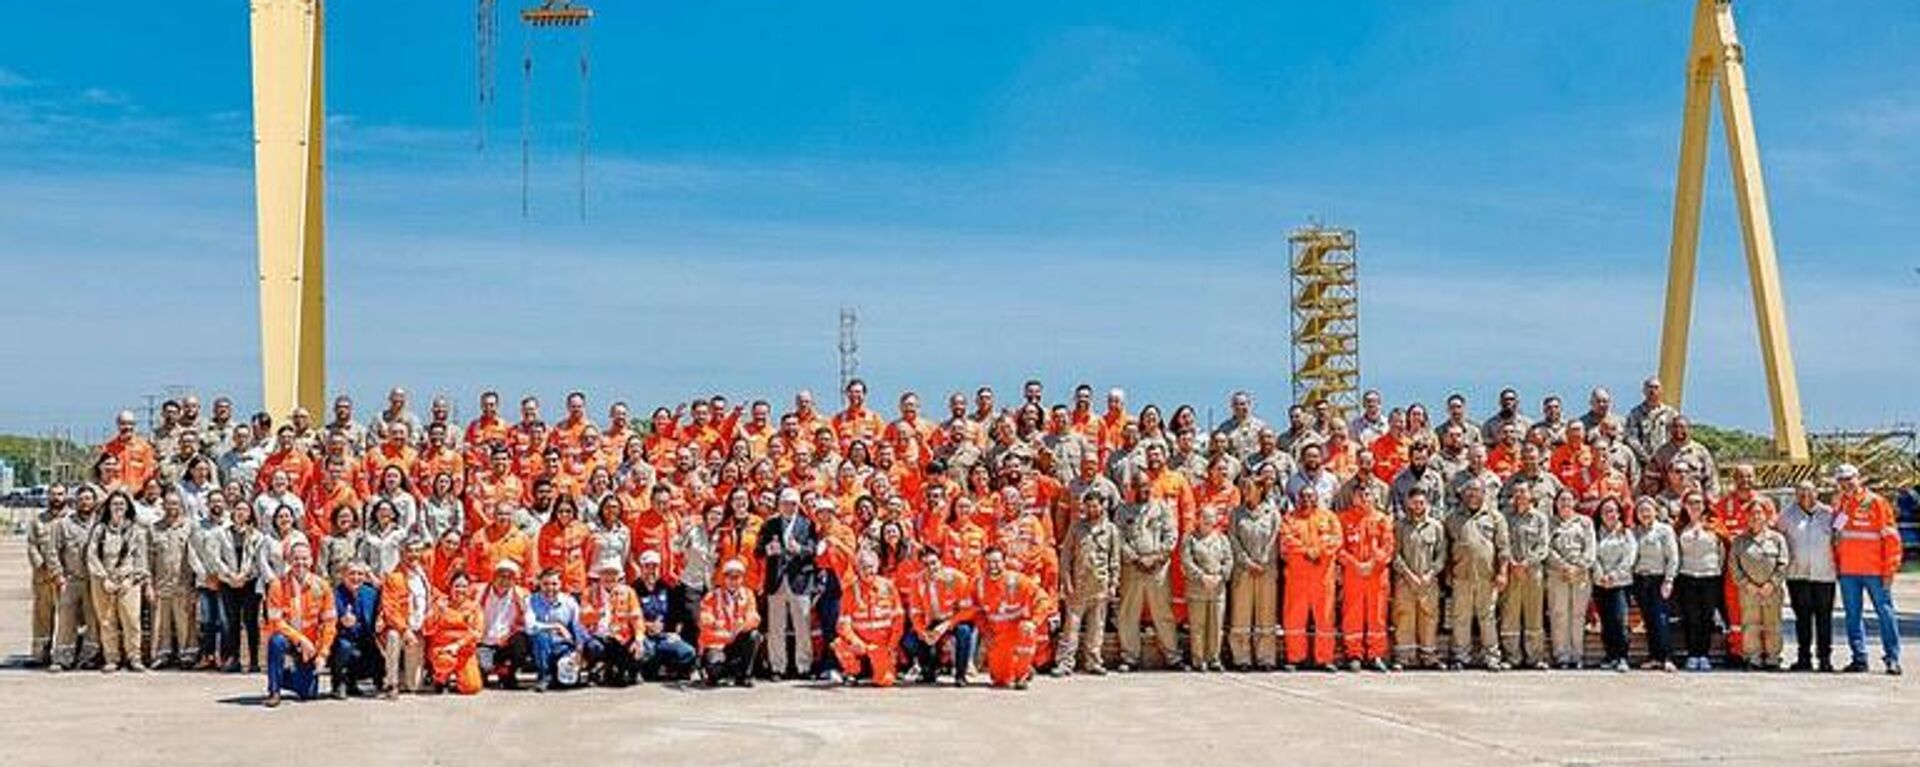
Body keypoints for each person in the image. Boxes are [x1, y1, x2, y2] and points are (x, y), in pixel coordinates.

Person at [1831, 463, 1903, 675]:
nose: (1846, 484)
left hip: (1875, 572)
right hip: (1848, 572)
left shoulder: (1876, 503)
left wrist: (1889, 570)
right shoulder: (1840, 504)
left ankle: (1892, 658)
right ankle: (1859, 658)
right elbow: (1836, 538)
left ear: (1858, 478)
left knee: (1885, 613)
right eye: (1842, 481)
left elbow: (1891, 539)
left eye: (1849, 479)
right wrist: (1837, 566)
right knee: (1852, 616)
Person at [1114, 474, 1179, 671]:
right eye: (1139, 486)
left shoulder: (1161, 508)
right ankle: (1129, 657)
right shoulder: (1123, 510)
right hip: (1133, 567)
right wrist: (1135, 558)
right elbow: (1119, 538)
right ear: (1132, 487)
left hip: (1157, 567)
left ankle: (1172, 655)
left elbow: (1171, 534)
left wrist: (1158, 557)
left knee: (1163, 613)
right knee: (1128, 613)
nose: (1143, 489)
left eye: (1146, 486)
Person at [1055, 491, 1120, 676]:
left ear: (1102, 506)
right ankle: (1065, 663)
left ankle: (1093, 661)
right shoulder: (1076, 528)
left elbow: (1114, 560)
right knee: (1071, 627)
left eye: (1095, 505)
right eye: (1088, 506)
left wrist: (1114, 584)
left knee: (1096, 627)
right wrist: (1066, 582)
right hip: (1078, 586)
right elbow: (1066, 557)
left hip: (1100, 585)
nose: (1092, 509)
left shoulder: (1111, 530)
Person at [264, 542, 336, 707]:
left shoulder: (322, 586)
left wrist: (323, 653)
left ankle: (285, 675)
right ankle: (274, 690)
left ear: (311, 560)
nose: (300, 563)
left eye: (304, 559)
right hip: (290, 639)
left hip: (312, 644)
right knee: (276, 641)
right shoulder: (277, 585)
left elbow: (329, 623)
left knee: (308, 693)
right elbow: (275, 622)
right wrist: (300, 640)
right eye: (296, 559)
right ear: (289, 560)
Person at [1446, 481, 1509, 671]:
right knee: (1460, 617)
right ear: (1463, 494)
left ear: (1484, 494)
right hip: (1461, 576)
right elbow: (1447, 548)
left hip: (1487, 576)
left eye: (1477, 491)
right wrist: (1448, 572)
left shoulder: (1495, 517)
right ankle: (1460, 656)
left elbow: (1503, 548)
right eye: (1469, 491)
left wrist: (1502, 573)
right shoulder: (1452, 518)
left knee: (1487, 617)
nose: (1473, 495)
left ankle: (1491, 656)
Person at [1280, 484, 1342, 671]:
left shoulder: (1329, 517)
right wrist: (1306, 552)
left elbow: (1337, 540)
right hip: (1297, 577)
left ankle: (1325, 658)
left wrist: (1318, 552)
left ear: (1317, 498)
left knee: (1325, 618)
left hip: (1322, 577)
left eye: (1311, 497)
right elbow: (1286, 541)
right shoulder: (1290, 518)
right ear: (1298, 499)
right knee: (1294, 618)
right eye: (1303, 497)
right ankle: (1295, 657)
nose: (1307, 500)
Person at [757, 488, 818, 680]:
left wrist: (800, 549)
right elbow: (758, 550)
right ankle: (777, 667)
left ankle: (804, 666)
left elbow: (814, 549)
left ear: (798, 505)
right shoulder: (770, 525)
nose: (789, 507)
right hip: (776, 581)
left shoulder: (807, 524)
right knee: (776, 627)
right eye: (785, 503)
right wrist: (768, 550)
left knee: (802, 626)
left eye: (793, 504)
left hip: (799, 580)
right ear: (779, 505)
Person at [1776, 480, 1837, 671]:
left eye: (1810, 493)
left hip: (1824, 574)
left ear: (1817, 493)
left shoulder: (1830, 514)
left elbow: (1840, 538)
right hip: (1797, 574)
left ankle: (1825, 658)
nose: (1805, 497)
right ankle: (1804, 657)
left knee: (1824, 618)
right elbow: (1778, 540)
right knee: (1802, 618)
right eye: (1801, 493)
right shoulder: (1786, 516)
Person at [88, 491, 150, 673]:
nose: (118, 508)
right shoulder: (99, 530)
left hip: (127, 581)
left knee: (131, 620)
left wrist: (131, 580)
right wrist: (103, 578)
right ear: (108, 507)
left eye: (122, 504)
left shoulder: (135, 531)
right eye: (115, 504)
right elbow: (91, 555)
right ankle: (111, 658)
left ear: (128, 507)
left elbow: (141, 559)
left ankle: (134, 657)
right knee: (107, 620)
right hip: (104, 580)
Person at [1336, 483, 1394, 672]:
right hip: (1353, 575)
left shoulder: (1382, 519)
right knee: (1352, 614)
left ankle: (1376, 654)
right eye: (1360, 494)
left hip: (1377, 576)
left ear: (1374, 498)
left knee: (1377, 616)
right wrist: (1355, 565)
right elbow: (1339, 548)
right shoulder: (1344, 519)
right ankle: (1354, 654)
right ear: (1353, 498)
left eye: (1368, 494)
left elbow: (1388, 547)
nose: (1364, 498)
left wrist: (1372, 565)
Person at [973, 547, 1049, 689]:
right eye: (988, 562)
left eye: (996, 562)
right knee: (1000, 680)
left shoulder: (1018, 580)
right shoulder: (978, 585)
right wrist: (986, 633)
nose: (992, 566)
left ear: (1004, 562)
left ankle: (1022, 675)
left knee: (1026, 630)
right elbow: (977, 612)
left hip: (1018, 631)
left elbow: (1043, 599)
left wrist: (1034, 622)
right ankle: (1018, 667)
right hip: (998, 636)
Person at [903, 546, 978, 685]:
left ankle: (961, 675)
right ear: (920, 565)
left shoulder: (957, 578)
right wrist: (923, 632)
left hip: (955, 620)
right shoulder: (916, 582)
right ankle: (929, 671)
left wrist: (947, 625)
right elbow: (915, 613)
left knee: (964, 632)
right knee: (910, 641)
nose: (931, 568)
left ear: (940, 562)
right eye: (926, 564)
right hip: (931, 621)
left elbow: (968, 610)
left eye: (934, 563)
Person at [1730, 499, 1790, 671]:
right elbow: (1734, 565)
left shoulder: (1777, 538)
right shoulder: (1740, 541)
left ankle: (1773, 658)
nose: (1756, 516)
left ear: (1766, 516)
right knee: (1750, 625)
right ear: (1747, 517)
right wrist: (1747, 584)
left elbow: (1783, 563)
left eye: (1759, 513)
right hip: (1748, 591)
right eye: (1752, 513)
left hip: (1772, 590)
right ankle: (1753, 658)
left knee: (1773, 624)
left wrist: (1772, 583)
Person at [831, 549, 906, 686]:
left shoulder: (888, 586)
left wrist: (891, 645)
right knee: (839, 645)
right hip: (860, 644)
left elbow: (898, 620)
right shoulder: (850, 590)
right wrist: (855, 641)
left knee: (885, 682)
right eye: (863, 567)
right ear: (857, 569)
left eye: (870, 566)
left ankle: (877, 669)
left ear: (877, 567)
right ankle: (853, 672)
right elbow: (843, 624)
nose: (867, 571)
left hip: (882, 645)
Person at [1391, 488, 1446, 670]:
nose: (1418, 506)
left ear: (1427, 504)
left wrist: (1431, 574)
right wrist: (1409, 575)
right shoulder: (1400, 526)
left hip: (1428, 581)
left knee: (1429, 617)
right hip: (1406, 580)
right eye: (1414, 502)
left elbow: (1441, 555)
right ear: (1408, 503)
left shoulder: (1436, 527)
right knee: (1404, 617)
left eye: (1421, 502)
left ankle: (1428, 656)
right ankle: (1404, 657)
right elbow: (1395, 555)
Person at [1499, 483, 1550, 670]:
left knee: (1534, 615)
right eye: (1516, 492)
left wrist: (1527, 562)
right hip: (1512, 572)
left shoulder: (1540, 519)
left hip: (1532, 572)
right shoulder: (1505, 517)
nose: (1519, 495)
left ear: (1531, 495)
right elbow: (1502, 543)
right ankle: (1512, 657)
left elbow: (1543, 546)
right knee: (1509, 614)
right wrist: (1512, 562)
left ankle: (1534, 657)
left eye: (1523, 491)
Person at [49, 485, 101, 672]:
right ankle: (62, 658)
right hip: (71, 580)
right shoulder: (63, 524)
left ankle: (89, 657)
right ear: (75, 502)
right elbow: (53, 551)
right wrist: (58, 576)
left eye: (88, 499)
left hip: (95, 581)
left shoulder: (101, 524)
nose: (85, 502)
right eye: (81, 499)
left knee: (93, 621)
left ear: (94, 502)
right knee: (66, 621)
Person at [1543, 489, 1596, 669]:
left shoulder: (1585, 522)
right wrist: (1562, 566)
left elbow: (1590, 548)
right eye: (1561, 500)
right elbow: (1546, 548)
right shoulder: (1549, 523)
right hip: (1557, 574)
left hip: (1580, 574)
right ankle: (1562, 655)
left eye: (1568, 499)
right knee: (1559, 614)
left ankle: (1577, 654)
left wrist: (1578, 566)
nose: (1565, 503)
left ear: (1575, 501)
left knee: (1578, 615)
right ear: (1556, 503)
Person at [1673, 491, 1724, 672]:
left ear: (1704, 505)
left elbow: (1723, 551)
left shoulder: (1714, 525)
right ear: (1685, 506)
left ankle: (1704, 654)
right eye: (1691, 502)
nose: (1695, 506)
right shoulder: (1679, 527)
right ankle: (1692, 654)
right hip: (1687, 577)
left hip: (1710, 576)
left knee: (1706, 618)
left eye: (1698, 502)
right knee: (1691, 617)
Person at [631, 551, 699, 681]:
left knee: (687, 652)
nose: (651, 571)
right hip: (642, 637)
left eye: (654, 567)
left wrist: (674, 632)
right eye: (647, 566)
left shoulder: (666, 587)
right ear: (641, 568)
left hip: (663, 636)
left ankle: (669, 667)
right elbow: (628, 617)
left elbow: (676, 614)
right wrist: (646, 625)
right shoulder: (633, 589)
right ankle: (644, 669)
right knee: (648, 654)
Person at [378, 540, 434, 697]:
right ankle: (391, 683)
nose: (413, 555)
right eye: (410, 551)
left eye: (417, 551)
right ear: (402, 553)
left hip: (419, 629)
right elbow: (390, 610)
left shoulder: (424, 574)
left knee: (413, 686)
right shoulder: (393, 577)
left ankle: (405, 676)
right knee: (393, 636)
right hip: (401, 629)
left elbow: (431, 597)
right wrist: (404, 630)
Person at [148, 492, 198, 669]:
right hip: (161, 583)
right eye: (168, 504)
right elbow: (149, 559)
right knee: (161, 623)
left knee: (185, 622)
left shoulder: (189, 527)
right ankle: (162, 654)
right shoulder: (154, 529)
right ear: (163, 506)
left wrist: (195, 585)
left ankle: (187, 654)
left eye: (175, 504)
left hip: (183, 583)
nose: (172, 507)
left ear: (181, 506)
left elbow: (195, 557)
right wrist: (149, 584)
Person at [1182, 505, 1232, 672]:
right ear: (1199, 519)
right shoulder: (1190, 539)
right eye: (1205, 517)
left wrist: (1220, 576)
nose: (1208, 521)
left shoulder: (1222, 539)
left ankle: (1214, 658)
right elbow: (1186, 561)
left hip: (1217, 589)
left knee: (1216, 626)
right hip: (1197, 588)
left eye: (1211, 518)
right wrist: (1202, 576)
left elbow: (1228, 560)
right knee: (1198, 626)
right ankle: (1199, 659)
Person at [1631, 497, 1678, 672]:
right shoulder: (1635, 532)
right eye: (1640, 510)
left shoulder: (1664, 530)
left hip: (1659, 579)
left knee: (1661, 619)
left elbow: (1673, 557)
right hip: (1640, 580)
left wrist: (1669, 580)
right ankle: (1654, 657)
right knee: (1649, 620)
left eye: (1648, 510)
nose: (1644, 513)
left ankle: (1666, 657)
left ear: (1655, 511)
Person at [698, 559, 762, 688]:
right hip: (718, 644)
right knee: (714, 670)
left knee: (754, 636)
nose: (733, 580)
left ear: (742, 579)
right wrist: (718, 627)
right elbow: (704, 621)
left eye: (737, 577)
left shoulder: (748, 594)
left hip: (736, 641)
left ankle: (744, 676)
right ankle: (718, 673)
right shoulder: (712, 596)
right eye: (729, 576)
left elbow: (754, 617)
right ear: (723, 578)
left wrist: (743, 625)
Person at [188, 491, 234, 669]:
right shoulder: (198, 526)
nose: (217, 504)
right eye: (213, 501)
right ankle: (207, 655)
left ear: (225, 503)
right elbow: (192, 552)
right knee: (206, 621)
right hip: (205, 580)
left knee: (224, 621)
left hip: (224, 580)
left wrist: (222, 575)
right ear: (207, 504)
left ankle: (224, 656)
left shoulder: (230, 524)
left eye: (220, 501)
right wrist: (204, 575)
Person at [1591, 498, 1637, 672]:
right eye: (1605, 511)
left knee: (1620, 621)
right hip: (1600, 582)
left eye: (1613, 511)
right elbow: (1593, 556)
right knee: (1606, 622)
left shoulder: (1627, 533)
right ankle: (1610, 656)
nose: (1609, 515)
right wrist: (1601, 574)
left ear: (1619, 513)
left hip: (1620, 583)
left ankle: (1622, 657)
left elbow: (1629, 558)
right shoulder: (1596, 533)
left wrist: (1614, 575)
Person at [525, 568, 589, 692]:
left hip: (563, 646)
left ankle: (559, 673)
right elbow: (530, 626)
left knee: (566, 682)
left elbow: (578, 627)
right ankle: (544, 675)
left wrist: (579, 651)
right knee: (541, 636)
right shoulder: (531, 600)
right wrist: (556, 626)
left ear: (561, 584)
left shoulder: (570, 602)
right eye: (545, 584)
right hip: (541, 648)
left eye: (554, 584)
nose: (550, 588)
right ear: (539, 584)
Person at [581, 562, 645, 686]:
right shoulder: (589, 592)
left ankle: (629, 670)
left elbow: (637, 617)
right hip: (599, 636)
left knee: (639, 649)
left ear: (619, 577)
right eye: (605, 573)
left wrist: (639, 639)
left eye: (613, 573)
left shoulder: (628, 592)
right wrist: (598, 613)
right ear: (599, 575)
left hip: (621, 637)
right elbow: (583, 618)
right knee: (593, 647)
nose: (609, 577)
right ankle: (595, 670)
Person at [25, 486, 67, 668]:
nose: (56, 498)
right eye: (53, 494)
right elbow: (32, 545)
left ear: (66, 496)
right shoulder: (38, 520)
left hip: (65, 578)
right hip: (43, 578)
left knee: (67, 617)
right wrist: (41, 565)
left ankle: (63, 653)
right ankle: (40, 654)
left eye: (60, 494)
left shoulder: (71, 520)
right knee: (42, 616)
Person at [425, 570, 485, 695]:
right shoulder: (441, 604)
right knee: (445, 662)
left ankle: (460, 678)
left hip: (464, 651)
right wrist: (437, 613)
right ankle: (440, 678)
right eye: (457, 586)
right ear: (450, 587)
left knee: (472, 687)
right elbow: (427, 629)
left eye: (464, 586)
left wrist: (457, 645)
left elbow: (477, 633)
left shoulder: (474, 607)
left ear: (469, 589)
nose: (460, 589)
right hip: (442, 649)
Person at [330, 562, 384, 697]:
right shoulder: (334, 595)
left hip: (365, 640)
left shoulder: (371, 593)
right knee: (345, 646)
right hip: (341, 642)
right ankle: (339, 681)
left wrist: (381, 618)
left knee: (377, 651)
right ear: (343, 576)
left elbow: (386, 602)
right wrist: (340, 621)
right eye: (352, 574)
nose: (356, 577)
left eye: (360, 574)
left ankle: (355, 681)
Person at [477, 561, 532, 688]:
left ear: (514, 580)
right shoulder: (479, 591)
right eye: (501, 576)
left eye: (509, 577)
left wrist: (510, 633)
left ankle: (508, 672)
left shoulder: (522, 594)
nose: (505, 581)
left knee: (521, 641)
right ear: (494, 576)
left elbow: (527, 622)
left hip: (506, 640)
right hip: (482, 641)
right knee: (476, 681)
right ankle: (484, 670)